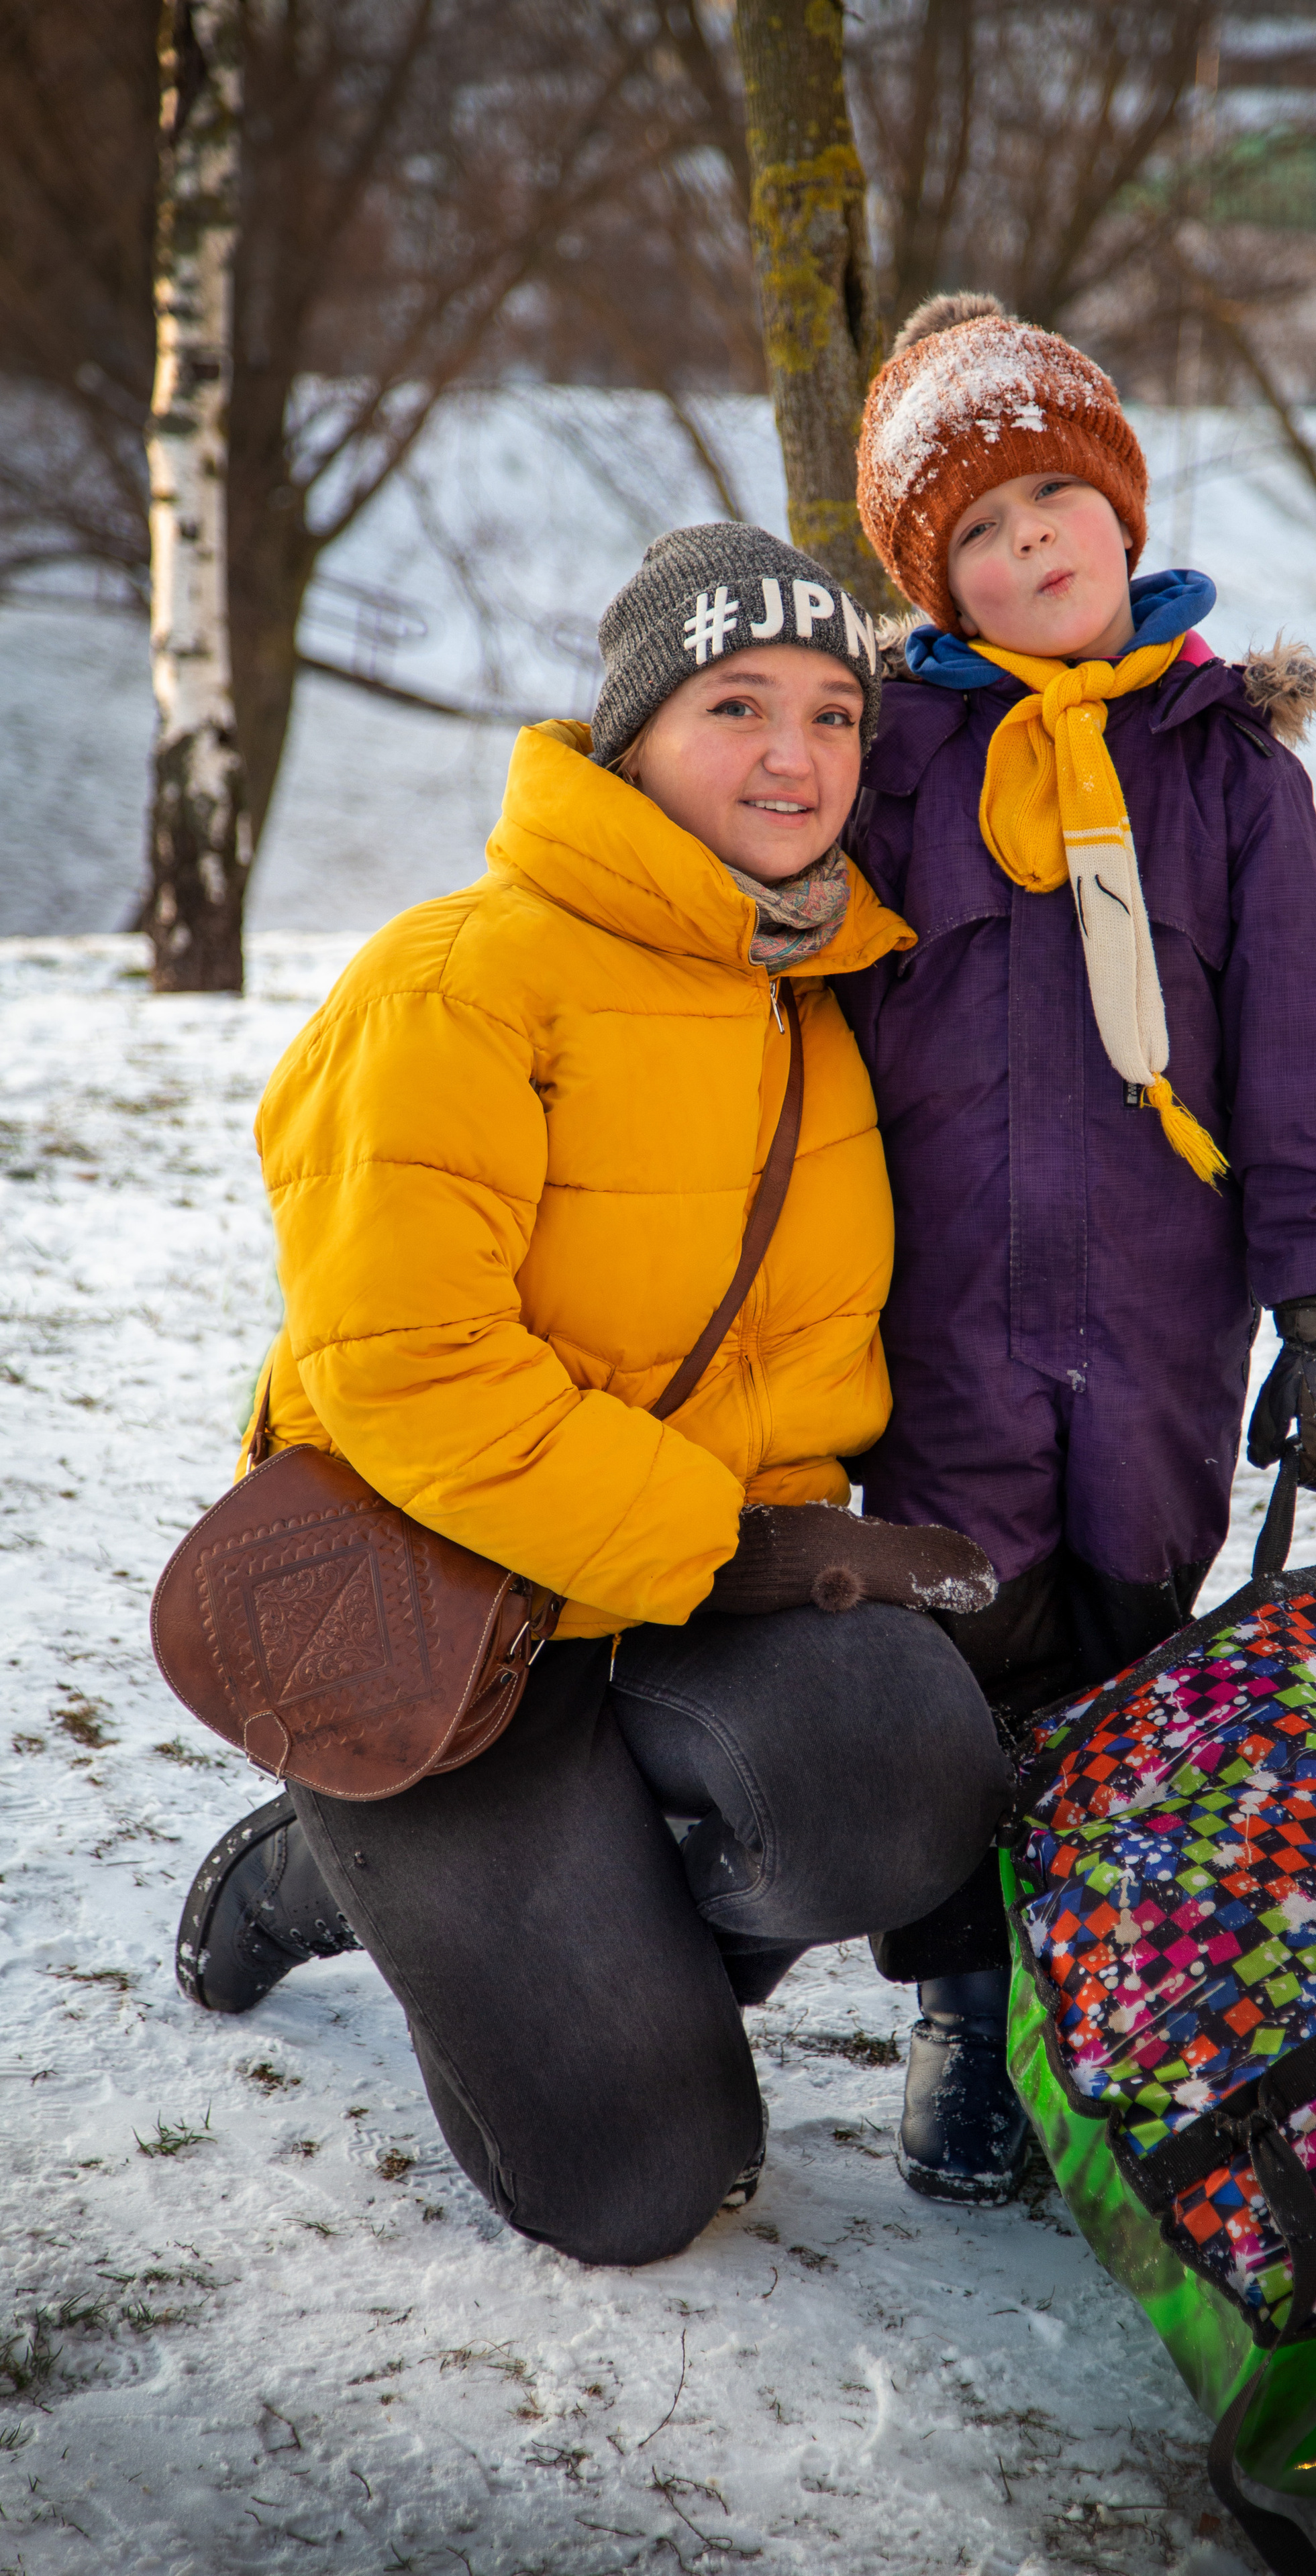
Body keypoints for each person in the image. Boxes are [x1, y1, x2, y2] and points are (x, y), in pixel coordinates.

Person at [172, 521, 1012, 2269]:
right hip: (441, 1612)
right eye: (737, 705)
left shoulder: (829, 997)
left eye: (834, 715)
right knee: (641, 2191)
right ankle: (327, 1873)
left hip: (670, 1589)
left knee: (908, 1760)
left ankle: (556, 1918)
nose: (796, 756)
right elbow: (405, 1373)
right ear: (632, 734)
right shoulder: (458, 980)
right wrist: (735, 1552)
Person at [841, 293, 1316, 2202]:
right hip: (947, 1320)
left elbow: (1301, 1058)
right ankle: (968, 1994)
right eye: (977, 535)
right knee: (958, 1635)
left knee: (1138, 1635)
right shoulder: (895, 759)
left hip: (1167, 1315)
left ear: (1125, 508)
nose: (1029, 550)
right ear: (939, 579)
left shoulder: (1227, 763)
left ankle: (1129, 1978)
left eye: (1055, 500)